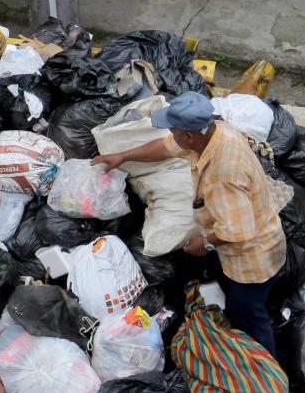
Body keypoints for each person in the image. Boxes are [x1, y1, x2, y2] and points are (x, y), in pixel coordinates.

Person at [92, 92, 286, 356]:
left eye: (173, 130)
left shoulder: (223, 173)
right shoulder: (215, 132)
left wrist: (204, 244)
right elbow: (165, 147)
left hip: (252, 260)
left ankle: (267, 371)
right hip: (236, 249)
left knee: (250, 317)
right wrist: (123, 156)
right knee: (229, 295)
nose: (171, 135)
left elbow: (238, 231)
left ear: (189, 135)